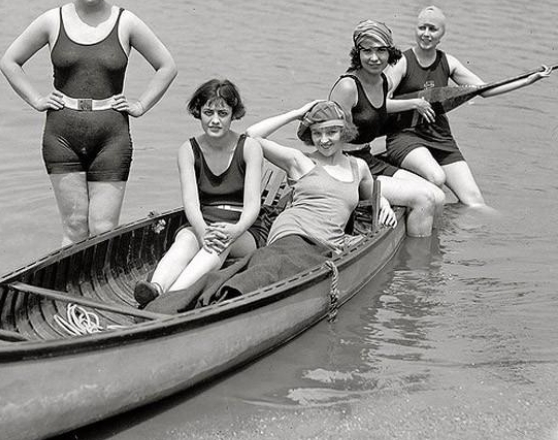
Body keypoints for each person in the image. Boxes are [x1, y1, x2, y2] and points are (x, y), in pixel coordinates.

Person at [145, 100, 396, 313]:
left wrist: (382, 202)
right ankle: (173, 304)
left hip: (327, 243)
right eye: (317, 133)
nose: (324, 140)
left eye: (331, 132)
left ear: (344, 132)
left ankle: (192, 298)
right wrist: (297, 113)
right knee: (268, 267)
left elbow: (370, 189)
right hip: (293, 232)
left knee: (265, 268)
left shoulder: (357, 167)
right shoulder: (300, 161)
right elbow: (252, 137)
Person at [0, 0, 177, 245]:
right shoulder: (52, 21)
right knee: (74, 227)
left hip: (111, 135)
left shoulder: (126, 21)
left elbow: (167, 66)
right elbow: (9, 61)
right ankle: (63, 290)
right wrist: (36, 99)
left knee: (104, 227)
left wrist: (141, 104)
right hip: (61, 135)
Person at [385, 5, 551, 207]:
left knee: (475, 203)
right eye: (422, 28)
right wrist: (414, 103)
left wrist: (528, 80)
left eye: (432, 29)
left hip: (440, 137)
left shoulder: (449, 62)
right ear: (415, 29)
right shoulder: (401, 62)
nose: (426, 34)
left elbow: (485, 90)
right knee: (437, 177)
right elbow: (381, 103)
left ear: (441, 35)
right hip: (405, 136)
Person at [133, 79, 265, 306]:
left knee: (221, 240)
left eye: (223, 113)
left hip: (244, 229)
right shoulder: (188, 150)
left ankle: (173, 297)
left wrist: (236, 230)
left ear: (234, 114)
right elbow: (192, 204)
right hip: (204, 222)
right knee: (185, 238)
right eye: (208, 112)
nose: (215, 120)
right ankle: (156, 287)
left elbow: (253, 205)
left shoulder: (250, 147)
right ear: (199, 113)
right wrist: (202, 231)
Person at [329, 19, 445, 237]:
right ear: (358, 53)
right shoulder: (348, 86)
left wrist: (414, 103)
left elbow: (377, 107)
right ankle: (416, 267)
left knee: (438, 196)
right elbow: (328, 135)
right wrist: (373, 193)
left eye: (381, 51)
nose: (374, 58)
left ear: (390, 53)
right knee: (425, 199)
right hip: (348, 167)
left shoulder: (381, 80)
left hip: (367, 158)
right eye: (367, 51)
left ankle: (425, 252)